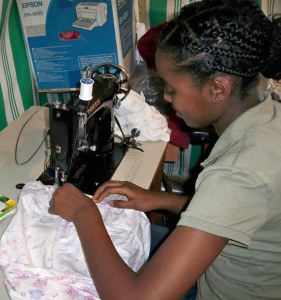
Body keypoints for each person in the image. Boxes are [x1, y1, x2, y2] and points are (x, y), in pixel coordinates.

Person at [49, 0, 281, 299]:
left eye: (171, 87)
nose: (167, 98)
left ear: (218, 89)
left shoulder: (240, 171)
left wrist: (84, 213)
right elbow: (236, 211)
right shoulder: (267, 114)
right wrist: (159, 199)